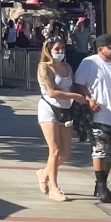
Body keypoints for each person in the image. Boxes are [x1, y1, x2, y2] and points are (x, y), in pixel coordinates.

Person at [75, 34, 111, 203]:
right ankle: (101, 185)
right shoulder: (90, 63)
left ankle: (102, 184)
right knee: (99, 149)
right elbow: (78, 84)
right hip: (98, 114)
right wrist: (88, 99)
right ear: (101, 49)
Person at [34, 39, 80, 202]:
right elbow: (52, 92)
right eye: (56, 49)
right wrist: (76, 97)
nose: (60, 51)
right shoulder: (44, 68)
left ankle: (44, 172)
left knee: (65, 153)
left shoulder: (67, 67)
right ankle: (54, 187)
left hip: (66, 110)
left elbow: (73, 85)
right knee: (54, 150)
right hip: (49, 109)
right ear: (48, 50)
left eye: (62, 48)